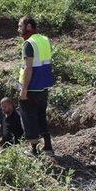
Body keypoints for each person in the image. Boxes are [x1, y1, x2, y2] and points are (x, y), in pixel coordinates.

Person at [17, 15, 55, 156]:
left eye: (20, 26)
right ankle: (48, 147)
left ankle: (33, 150)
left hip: (32, 87)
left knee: (28, 116)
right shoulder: (44, 40)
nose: (18, 29)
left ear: (28, 27)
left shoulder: (29, 43)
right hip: (44, 86)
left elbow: (28, 68)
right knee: (41, 115)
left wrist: (24, 90)